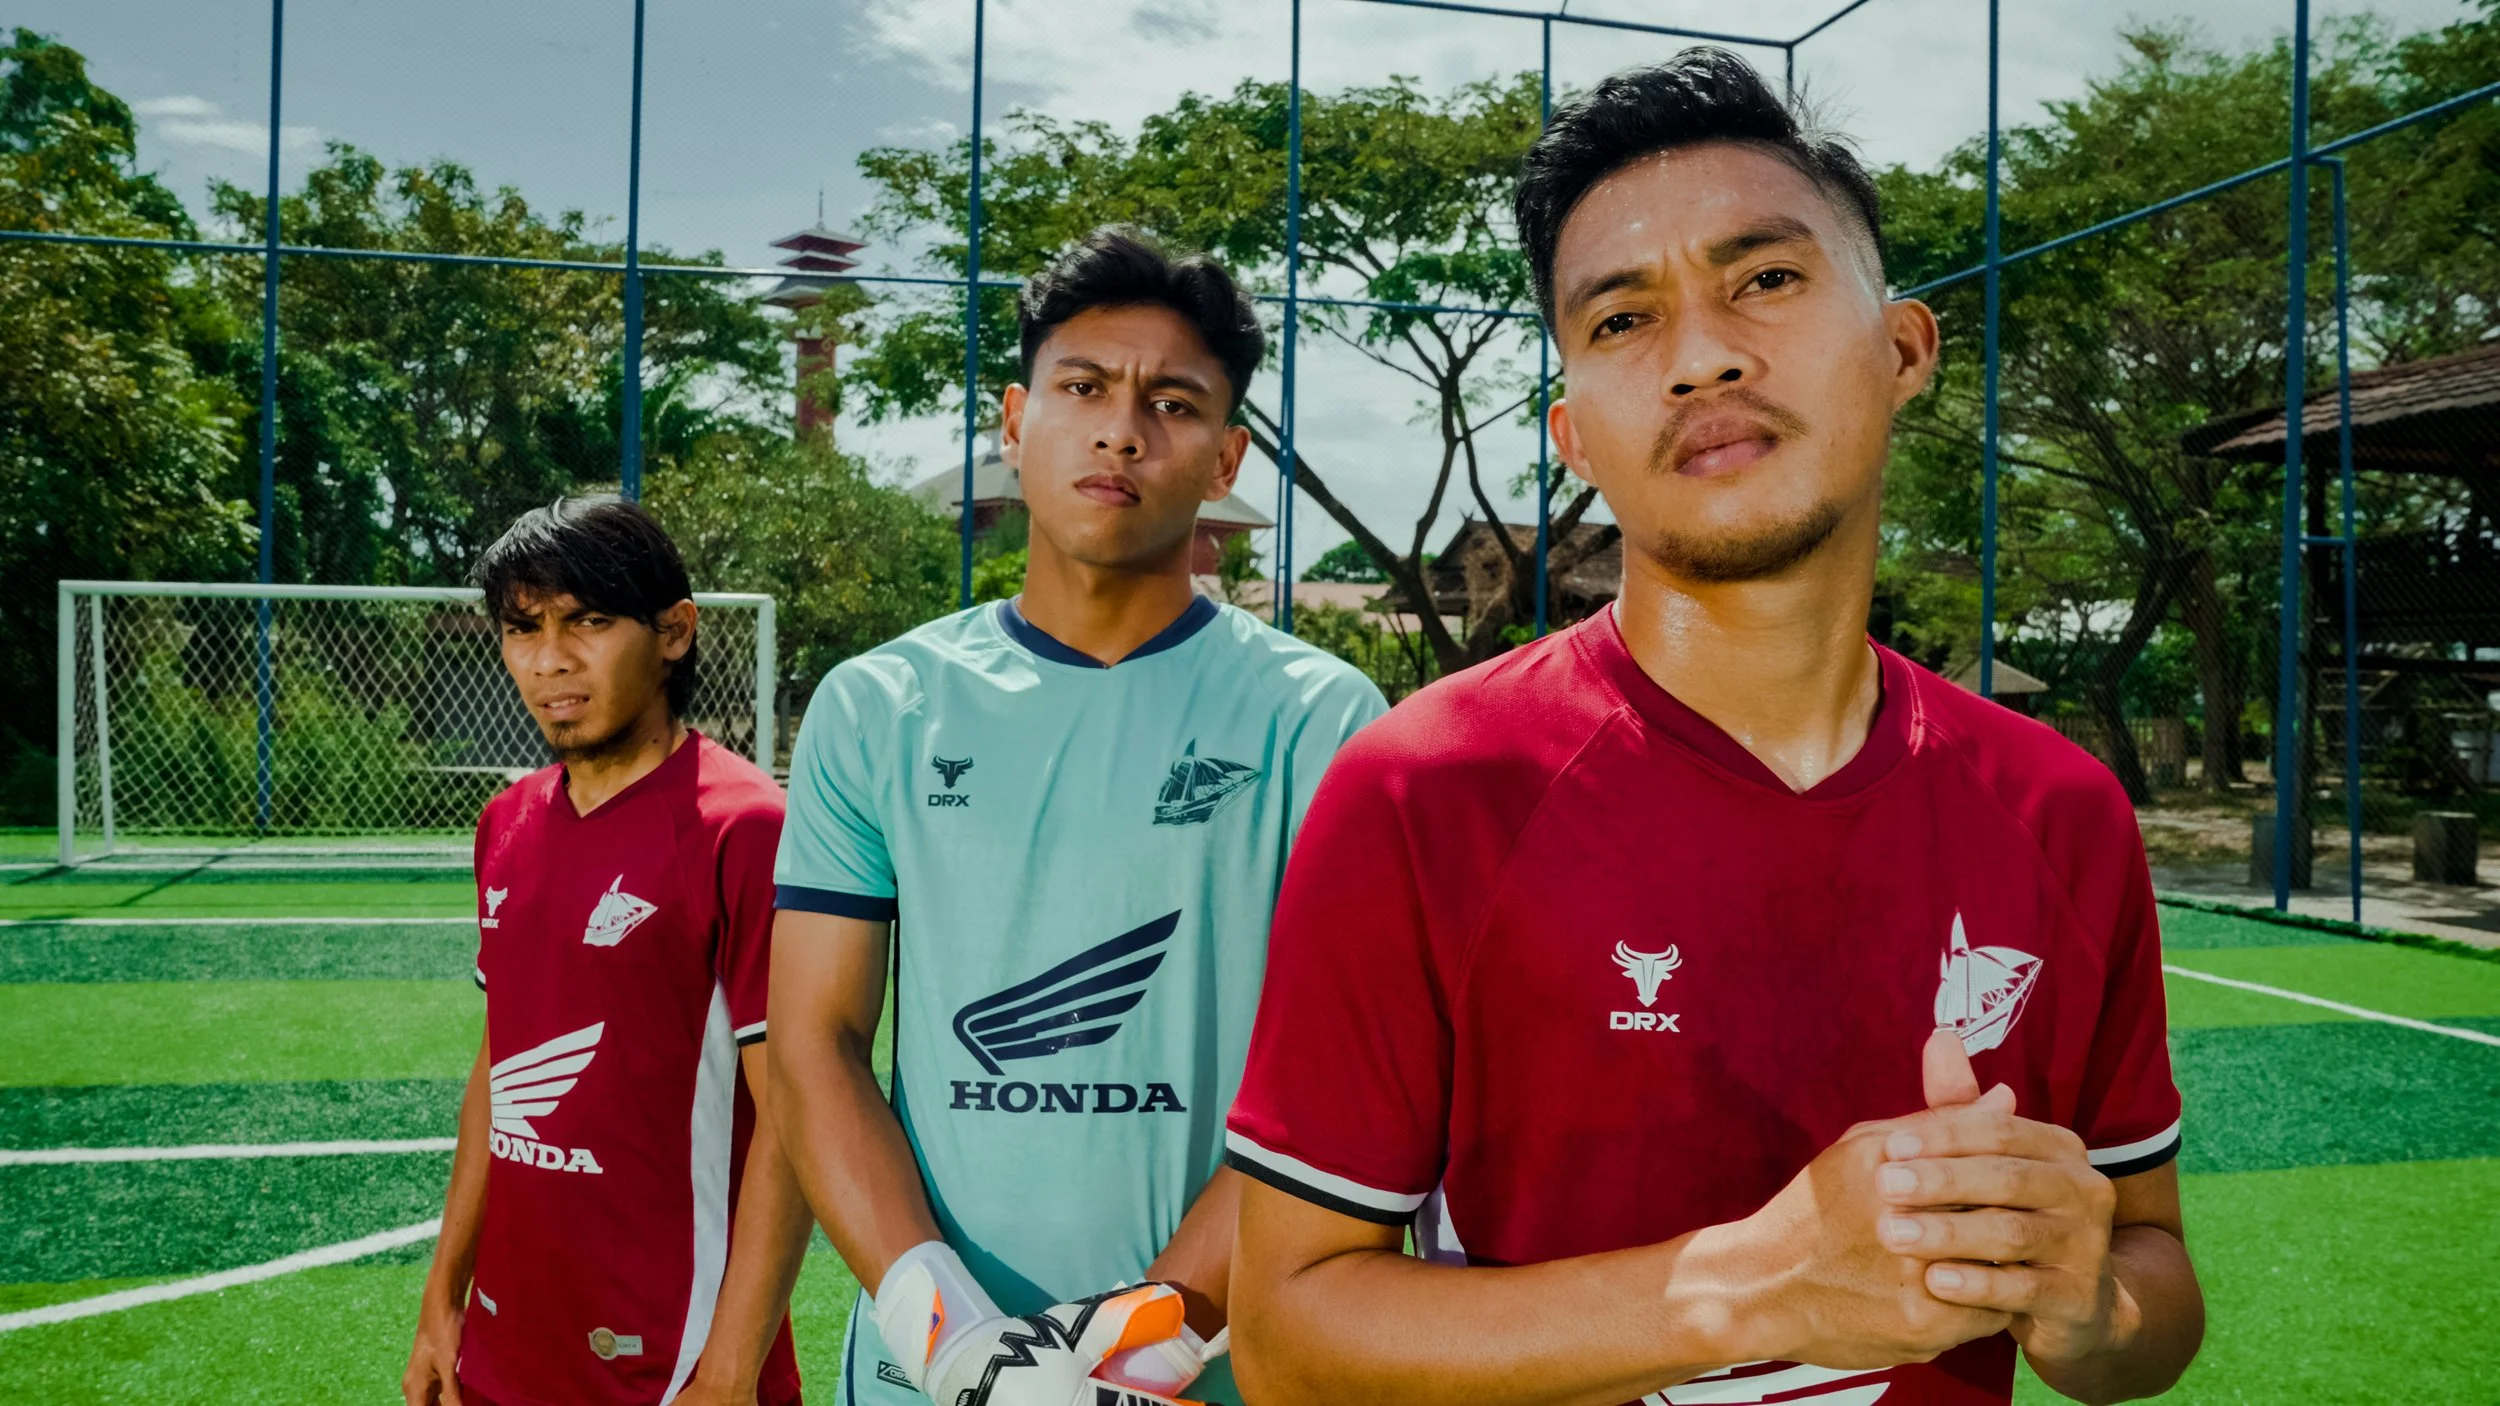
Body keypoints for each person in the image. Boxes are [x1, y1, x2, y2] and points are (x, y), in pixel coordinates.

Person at [1223, 49, 2204, 1406]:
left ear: (1905, 346)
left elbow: (2151, 1283)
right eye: (1622, 320)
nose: (1703, 355)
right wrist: (1753, 1282)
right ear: (1572, 431)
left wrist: (2087, 1298)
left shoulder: (2059, 808)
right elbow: (1287, 1341)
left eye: (1768, 279)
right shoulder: (1421, 790)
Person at [765, 227, 1388, 1406]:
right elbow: (813, 1043)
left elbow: (1348, 1087)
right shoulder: (877, 706)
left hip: (1214, 1367)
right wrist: (951, 1339)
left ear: (1224, 458)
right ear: (1013, 418)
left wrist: (1142, 1340)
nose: (1120, 429)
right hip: (926, 1372)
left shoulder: (1323, 720)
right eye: (1084, 387)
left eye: (1174, 402)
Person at [403, 497, 814, 1406]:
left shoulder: (743, 828)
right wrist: (444, 1298)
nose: (550, 659)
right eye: (524, 628)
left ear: (673, 632)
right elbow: (500, 1064)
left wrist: (734, 1367)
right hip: (507, 1350)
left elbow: (794, 1119)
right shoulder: (504, 823)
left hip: (676, 1361)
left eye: (588, 621)